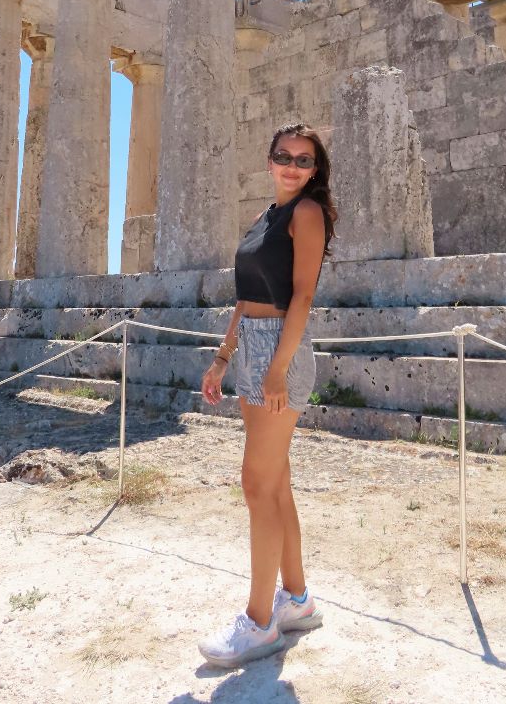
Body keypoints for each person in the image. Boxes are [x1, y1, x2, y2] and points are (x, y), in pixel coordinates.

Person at [198, 122, 337, 668]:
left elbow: (303, 296)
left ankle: (259, 624)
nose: (292, 166)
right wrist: (222, 357)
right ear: (270, 159)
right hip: (251, 346)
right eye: (284, 156)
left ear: (315, 170)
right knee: (274, 483)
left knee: (256, 484)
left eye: (304, 160)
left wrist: (277, 369)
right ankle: (296, 601)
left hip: (281, 349)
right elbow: (244, 297)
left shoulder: (307, 213)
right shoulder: (265, 217)